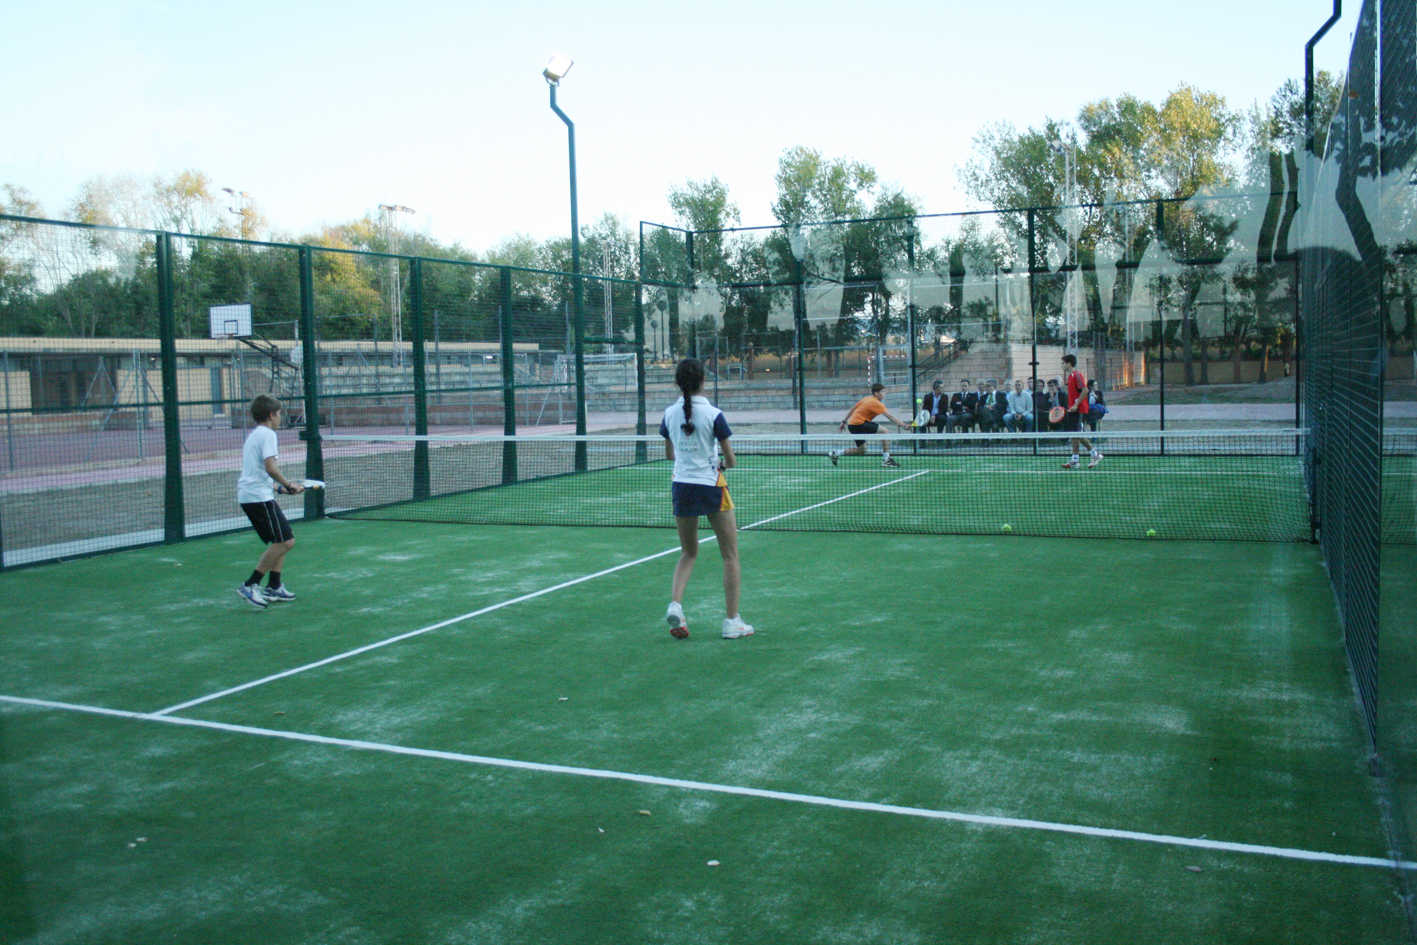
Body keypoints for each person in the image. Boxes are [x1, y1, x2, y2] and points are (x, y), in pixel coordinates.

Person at [660, 358, 754, 640]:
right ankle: (731, 621)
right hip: (711, 485)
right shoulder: (714, 414)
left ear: (678, 383)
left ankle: (676, 604)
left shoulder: (668, 413)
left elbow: (669, 455)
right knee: (730, 555)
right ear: (703, 380)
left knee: (688, 553)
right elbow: (732, 460)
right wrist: (721, 463)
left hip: (681, 487)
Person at [236, 394, 304, 609]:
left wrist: (281, 488)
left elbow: (257, 473)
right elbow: (270, 467)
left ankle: (274, 586)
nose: (280, 417)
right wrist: (289, 483)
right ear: (271, 415)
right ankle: (251, 584)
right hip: (257, 498)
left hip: (256, 495)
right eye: (279, 413)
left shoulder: (257, 434)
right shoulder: (267, 434)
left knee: (281, 540)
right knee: (286, 542)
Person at [830, 382, 908, 467]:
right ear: (876, 393)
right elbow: (890, 417)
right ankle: (886, 460)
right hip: (859, 424)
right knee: (885, 432)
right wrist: (904, 425)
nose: (884, 394)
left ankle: (836, 453)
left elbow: (853, 409)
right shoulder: (876, 403)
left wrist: (844, 421)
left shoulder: (866, 399)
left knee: (862, 451)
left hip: (852, 425)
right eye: (883, 392)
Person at [1060, 353, 1103, 469]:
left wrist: (1075, 404)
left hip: (1078, 409)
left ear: (1069, 363)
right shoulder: (1070, 376)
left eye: (1063, 363)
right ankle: (1075, 460)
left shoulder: (1077, 375)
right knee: (1074, 434)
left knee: (1077, 433)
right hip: (1073, 409)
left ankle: (1095, 454)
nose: (1062, 365)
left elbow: (1085, 390)